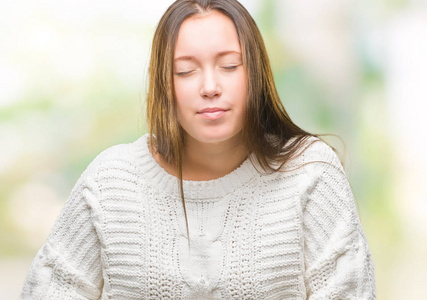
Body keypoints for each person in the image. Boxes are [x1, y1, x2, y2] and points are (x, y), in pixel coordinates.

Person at [21, 0, 376, 299]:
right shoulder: (110, 181)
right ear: (164, 83)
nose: (210, 86)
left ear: (256, 74)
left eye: (229, 66)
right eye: (186, 71)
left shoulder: (310, 172)